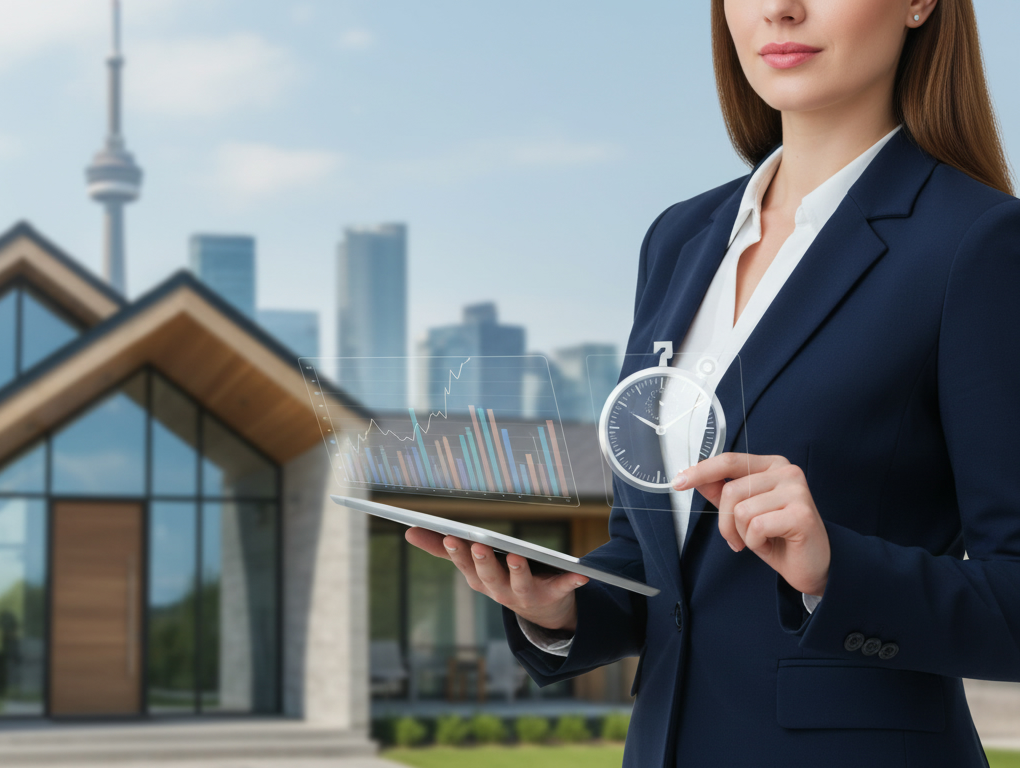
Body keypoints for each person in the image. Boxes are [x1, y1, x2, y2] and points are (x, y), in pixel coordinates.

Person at [405, 1, 1019, 765]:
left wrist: (834, 569)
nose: (780, 8)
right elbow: (662, 559)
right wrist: (559, 607)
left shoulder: (980, 244)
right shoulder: (680, 239)